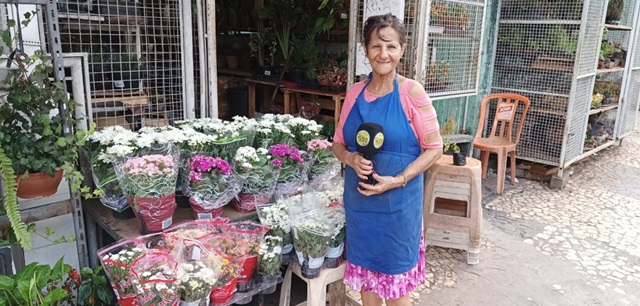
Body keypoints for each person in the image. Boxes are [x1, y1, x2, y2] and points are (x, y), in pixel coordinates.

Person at [332, 13, 443, 306]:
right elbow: (338, 144)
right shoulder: (354, 94)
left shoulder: (411, 93)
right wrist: (351, 158)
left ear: (402, 50)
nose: (383, 54)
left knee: (396, 291)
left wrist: (400, 178)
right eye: (375, 47)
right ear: (365, 50)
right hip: (361, 208)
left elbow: (435, 148)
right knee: (368, 288)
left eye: (390, 47)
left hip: (398, 211)